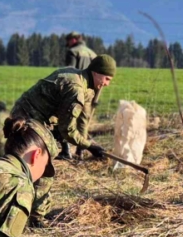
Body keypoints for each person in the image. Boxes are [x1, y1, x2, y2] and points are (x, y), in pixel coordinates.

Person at [11, 54, 116, 224]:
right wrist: (89, 146)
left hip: (33, 116)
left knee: (27, 165)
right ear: (96, 72)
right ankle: (36, 217)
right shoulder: (76, 88)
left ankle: (22, 208)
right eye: (106, 78)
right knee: (44, 166)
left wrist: (72, 138)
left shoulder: (79, 78)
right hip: (28, 119)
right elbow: (68, 130)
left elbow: (74, 119)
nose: (107, 84)